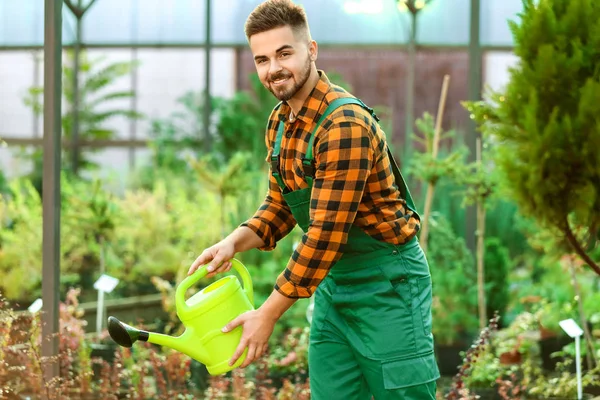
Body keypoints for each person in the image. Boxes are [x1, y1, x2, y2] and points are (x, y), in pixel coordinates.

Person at [188, 0, 440, 398]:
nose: (274, 69)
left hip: (387, 285)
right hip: (333, 284)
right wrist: (233, 242)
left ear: (312, 50)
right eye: (262, 59)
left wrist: (267, 314)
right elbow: (281, 206)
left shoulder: (344, 125)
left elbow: (325, 234)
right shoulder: (280, 122)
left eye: (284, 53)